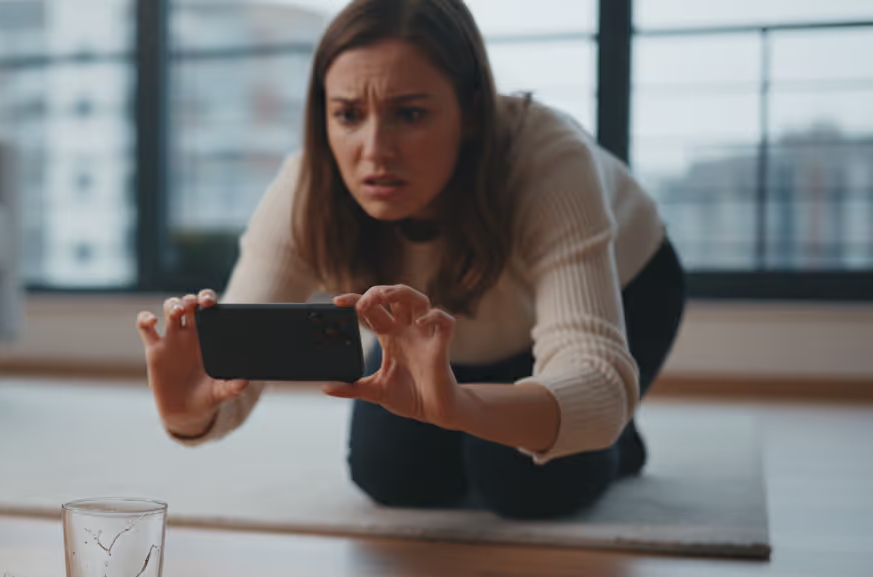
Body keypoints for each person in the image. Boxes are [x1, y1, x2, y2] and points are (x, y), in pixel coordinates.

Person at [135, 0, 685, 520]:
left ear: (471, 112)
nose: (374, 151)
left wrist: (463, 408)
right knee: (396, 479)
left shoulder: (549, 159)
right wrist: (190, 413)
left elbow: (594, 381)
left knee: (524, 486)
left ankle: (618, 445)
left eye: (411, 113)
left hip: (624, 288)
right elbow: (236, 372)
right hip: (435, 338)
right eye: (348, 114)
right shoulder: (306, 186)